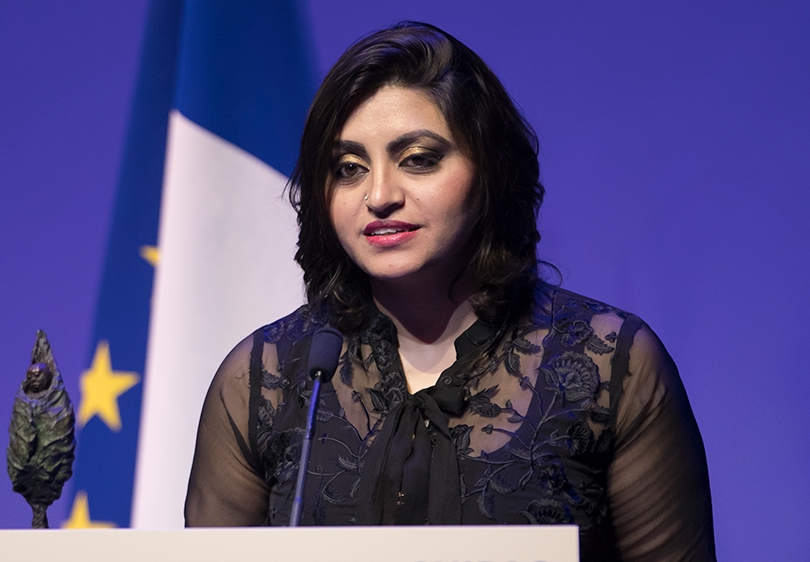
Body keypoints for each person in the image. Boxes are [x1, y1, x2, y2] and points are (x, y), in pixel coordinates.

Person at [184, 21, 716, 561]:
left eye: (418, 158)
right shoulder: (263, 380)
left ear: (488, 170)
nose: (380, 195)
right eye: (348, 168)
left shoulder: (610, 367)